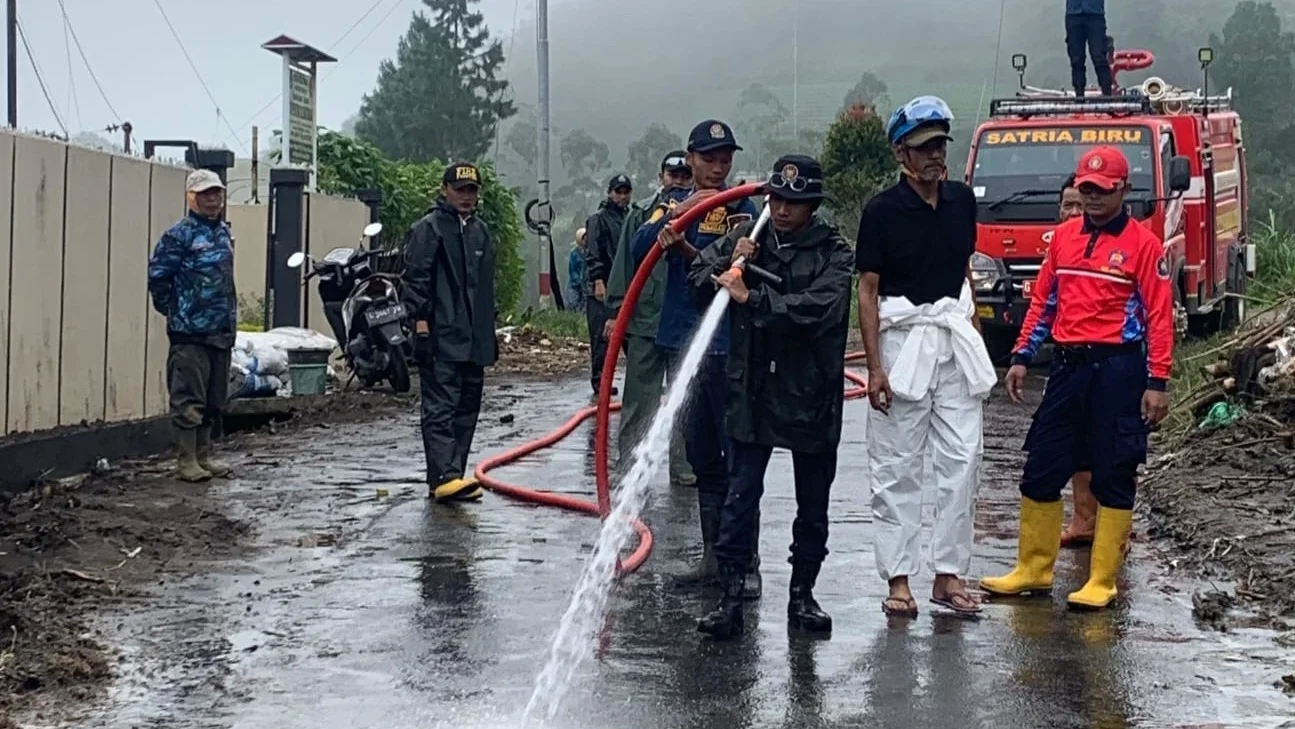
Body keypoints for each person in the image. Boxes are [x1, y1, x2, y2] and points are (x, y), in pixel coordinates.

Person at [980, 146, 1173, 610]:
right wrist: (1022, 356)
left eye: (1103, 190)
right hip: (1067, 368)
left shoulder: (1144, 245)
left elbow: (1159, 316)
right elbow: (1044, 302)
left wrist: (1157, 381)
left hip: (1118, 370)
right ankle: (1033, 569)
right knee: (1041, 468)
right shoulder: (1063, 239)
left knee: (1113, 471)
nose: (1093, 198)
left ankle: (1102, 579)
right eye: (1086, 189)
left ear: (1124, 190)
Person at [689, 155, 854, 639]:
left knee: (813, 503)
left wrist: (754, 298)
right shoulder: (750, 237)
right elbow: (698, 279)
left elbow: (818, 309)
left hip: (810, 390)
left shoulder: (833, 252)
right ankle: (730, 596)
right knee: (740, 495)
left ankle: (803, 595)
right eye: (776, 200)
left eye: (793, 203)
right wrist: (728, 260)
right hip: (753, 386)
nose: (781, 210)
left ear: (812, 206)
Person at [856, 96, 997, 618]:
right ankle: (899, 579)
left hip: (953, 337)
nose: (935, 155)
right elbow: (868, 291)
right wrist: (875, 368)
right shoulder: (881, 211)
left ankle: (948, 574)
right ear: (902, 154)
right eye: (924, 147)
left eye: (940, 145)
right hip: (903, 341)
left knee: (964, 457)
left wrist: (975, 333)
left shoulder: (961, 201)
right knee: (897, 464)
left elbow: (963, 271)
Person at [630, 120, 761, 596]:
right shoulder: (670, 204)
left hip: (727, 342)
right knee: (702, 452)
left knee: (737, 454)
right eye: (709, 158)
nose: (718, 167)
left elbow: (736, 265)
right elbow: (640, 248)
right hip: (683, 341)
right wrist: (679, 216)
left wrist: (687, 248)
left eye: (725, 158)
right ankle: (711, 557)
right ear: (690, 159)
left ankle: (745, 562)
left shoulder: (742, 207)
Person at [403, 162, 498, 504]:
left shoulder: (481, 232)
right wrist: (421, 325)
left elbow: (485, 287)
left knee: (467, 405)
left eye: (471, 190)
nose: (466, 196)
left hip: (474, 339)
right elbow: (416, 280)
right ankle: (443, 475)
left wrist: (488, 331)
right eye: (459, 190)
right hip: (441, 334)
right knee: (441, 406)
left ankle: (454, 475)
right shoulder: (428, 229)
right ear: (445, 190)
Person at [604, 151, 697, 487]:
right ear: (661, 177)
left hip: (684, 322)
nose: (678, 181)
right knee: (639, 399)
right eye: (673, 175)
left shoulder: (703, 213)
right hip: (646, 320)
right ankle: (630, 465)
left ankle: (684, 466)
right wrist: (616, 312)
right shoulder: (642, 214)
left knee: (683, 398)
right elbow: (624, 265)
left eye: (685, 176)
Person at [148, 169, 237, 483]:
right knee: (188, 396)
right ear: (191, 198)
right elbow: (158, 278)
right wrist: (177, 310)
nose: (212, 199)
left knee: (214, 398)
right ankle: (186, 460)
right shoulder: (178, 235)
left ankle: (203, 455)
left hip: (221, 329)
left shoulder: (223, 232)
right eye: (204, 194)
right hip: (190, 333)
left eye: (216, 193)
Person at [1056, 174, 1099, 546]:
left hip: (1113, 360)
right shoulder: (1059, 245)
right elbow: (1044, 301)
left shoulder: (1128, 244)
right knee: (1077, 446)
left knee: (1114, 448)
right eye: (1066, 205)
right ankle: (1083, 520)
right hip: (1069, 359)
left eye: (1079, 205)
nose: (1072, 212)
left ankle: (1116, 530)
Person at [584, 174, 634, 396]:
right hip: (603, 286)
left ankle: (636, 380)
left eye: (626, 192)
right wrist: (597, 280)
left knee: (629, 336)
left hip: (625, 287)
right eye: (618, 192)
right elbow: (593, 252)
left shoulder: (629, 217)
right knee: (601, 337)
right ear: (610, 193)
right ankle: (600, 383)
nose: (622, 197)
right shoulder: (598, 219)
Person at [1066, 0, 1113, 97]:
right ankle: (1079, 96)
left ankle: (1107, 95)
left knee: (1099, 56)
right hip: (1073, 15)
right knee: (1076, 59)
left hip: (1095, 14)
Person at [567, 227, 587, 312]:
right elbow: (572, 270)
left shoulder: (590, 253)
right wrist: (579, 280)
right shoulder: (574, 253)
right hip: (575, 285)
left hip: (586, 286)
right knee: (572, 304)